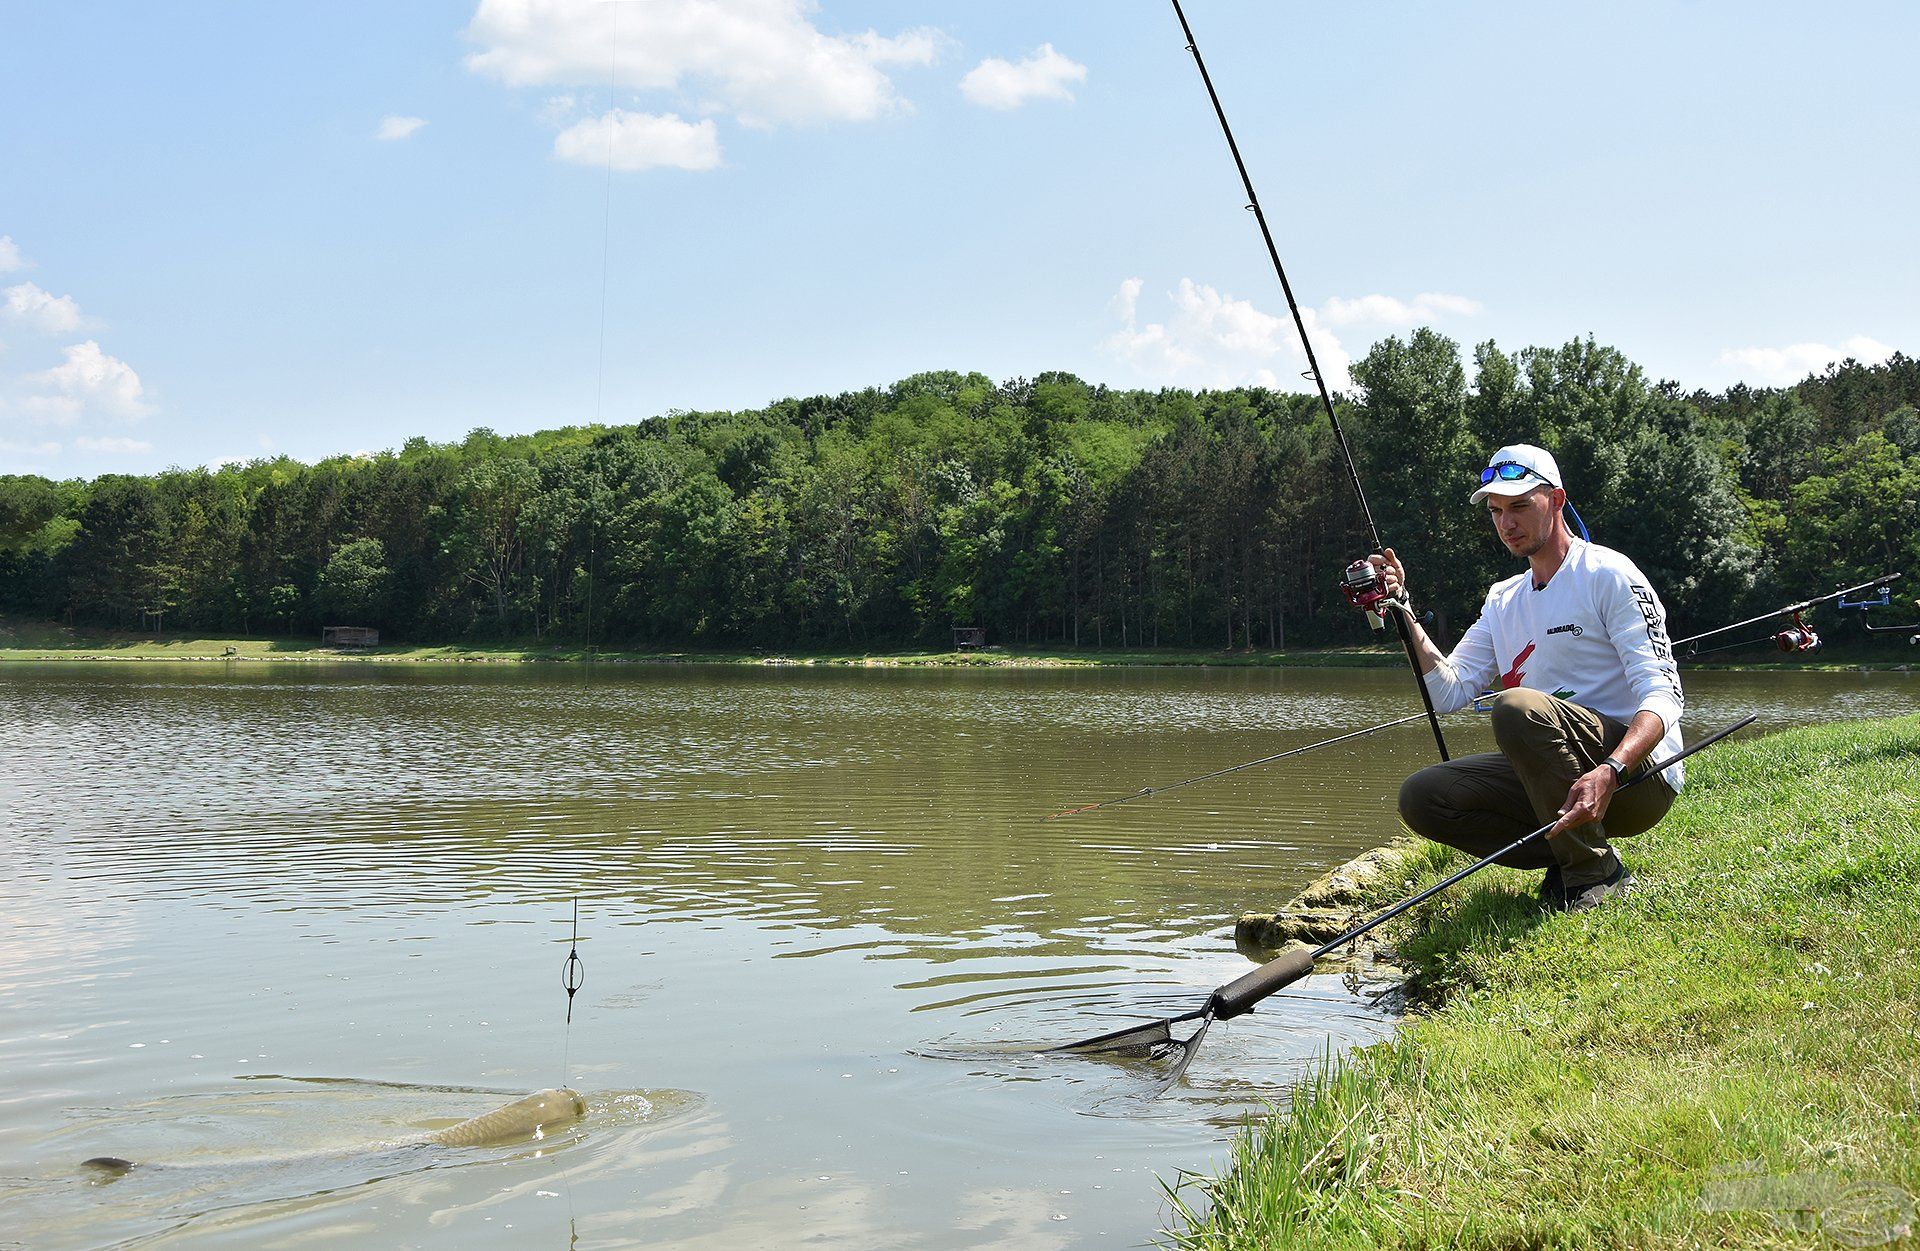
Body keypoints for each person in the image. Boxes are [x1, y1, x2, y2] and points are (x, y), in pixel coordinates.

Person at [1374, 443, 1685, 912]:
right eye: (1497, 511)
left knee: (1516, 706)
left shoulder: (1609, 574)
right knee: (1423, 797)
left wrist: (1611, 770)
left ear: (1556, 501)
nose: (1507, 523)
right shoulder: (1503, 599)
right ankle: (1568, 852)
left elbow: (1664, 692)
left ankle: (1594, 872)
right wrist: (1402, 610)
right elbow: (1448, 690)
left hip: (1637, 780)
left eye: (1520, 506)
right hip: (1558, 776)